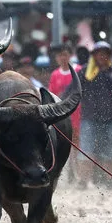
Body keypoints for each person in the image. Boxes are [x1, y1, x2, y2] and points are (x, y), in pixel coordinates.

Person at [77, 41, 112, 187]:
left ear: (109, 55)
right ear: (94, 55)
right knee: (86, 149)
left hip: (110, 118)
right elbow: (74, 91)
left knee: (109, 150)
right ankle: (84, 181)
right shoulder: (85, 71)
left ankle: (108, 180)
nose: (102, 55)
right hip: (89, 118)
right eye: (99, 53)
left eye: (105, 53)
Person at [48, 44, 82, 185]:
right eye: (60, 55)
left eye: (65, 54)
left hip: (78, 115)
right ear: (57, 58)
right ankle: (67, 174)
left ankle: (79, 175)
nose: (63, 57)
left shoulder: (78, 70)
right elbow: (52, 94)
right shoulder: (55, 74)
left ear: (70, 56)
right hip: (62, 116)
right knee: (64, 145)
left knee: (78, 146)